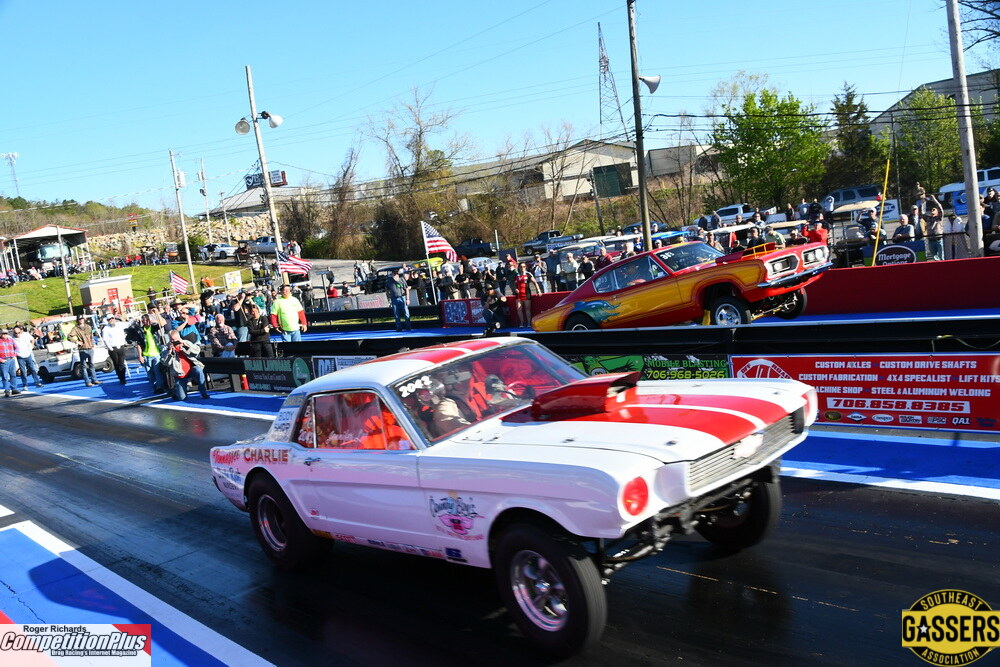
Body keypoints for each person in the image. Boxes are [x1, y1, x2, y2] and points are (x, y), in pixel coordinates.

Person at [160, 329, 209, 401]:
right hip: (179, 374)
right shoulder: (165, 348)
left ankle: (203, 392)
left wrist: (186, 346)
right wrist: (169, 352)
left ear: (179, 337)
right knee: (182, 398)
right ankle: (176, 391)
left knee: (198, 370)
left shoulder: (185, 342)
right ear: (169, 339)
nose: (175, 341)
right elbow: (165, 362)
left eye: (176, 339)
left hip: (191, 370)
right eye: (172, 340)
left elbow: (197, 351)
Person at [67, 316, 100, 387]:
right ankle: (87, 381)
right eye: (79, 319)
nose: (81, 320)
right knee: (84, 366)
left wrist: (93, 343)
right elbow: (69, 337)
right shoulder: (75, 328)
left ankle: (94, 379)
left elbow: (91, 336)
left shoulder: (88, 327)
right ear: (77, 320)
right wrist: (77, 342)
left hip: (90, 347)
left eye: (82, 319)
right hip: (83, 349)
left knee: (91, 364)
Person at [101, 315, 129, 385]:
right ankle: (120, 377)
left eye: (112, 318)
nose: (111, 320)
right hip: (113, 348)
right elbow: (105, 339)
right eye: (109, 319)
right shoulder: (106, 329)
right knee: (116, 364)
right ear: (108, 320)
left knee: (121, 363)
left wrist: (135, 320)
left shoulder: (119, 325)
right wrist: (110, 348)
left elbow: (128, 324)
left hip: (121, 346)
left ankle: (123, 378)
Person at [12, 325, 43, 389]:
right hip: (20, 356)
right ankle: (25, 385)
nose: (17, 334)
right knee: (23, 371)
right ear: (13, 333)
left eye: (18, 332)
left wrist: (32, 346)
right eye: (16, 333)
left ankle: (37, 382)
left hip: (28, 354)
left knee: (32, 369)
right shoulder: (12, 339)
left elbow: (32, 339)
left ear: (21, 331)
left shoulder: (25, 335)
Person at [513, 262, 541, 327]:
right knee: (519, 309)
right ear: (519, 268)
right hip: (518, 295)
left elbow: (535, 283)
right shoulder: (517, 275)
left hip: (526, 293)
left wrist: (538, 290)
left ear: (526, 267)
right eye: (521, 267)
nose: (522, 268)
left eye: (524, 267)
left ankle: (529, 323)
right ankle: (522, 323)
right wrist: (515, 289)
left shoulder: (528, 274)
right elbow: (514, 284)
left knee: (527, 309)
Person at [922, 195, 945, 261]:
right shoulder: (928, 218)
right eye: (931, 209)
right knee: (934, 257)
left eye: (934, 209)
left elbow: (941, 210)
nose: (932, 210)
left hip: (939, 240)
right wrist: (923, 203)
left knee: (941, 257)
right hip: (931, 241)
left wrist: (934, 200)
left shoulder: (939, 218)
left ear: (937, 212)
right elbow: (921, 213)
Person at [0, 329, 21, 397]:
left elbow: (17, 348)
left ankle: (14, 389)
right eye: (3, 334)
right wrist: (0, 360)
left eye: (6, 334)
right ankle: (7, 390)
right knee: (5, 376)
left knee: (13, 375)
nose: (4, 335)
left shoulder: (11, 340)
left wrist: (15, 354)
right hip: (3, 361)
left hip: (11, 359)